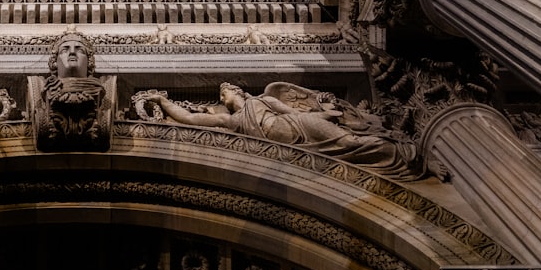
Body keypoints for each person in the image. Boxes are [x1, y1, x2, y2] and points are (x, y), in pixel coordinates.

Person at [140, 82, 420, 179]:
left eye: (224, 93)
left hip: (301, 127)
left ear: (236, 91)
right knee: (348, 145)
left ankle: (401, 153)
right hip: (286, 149)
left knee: (349, 141)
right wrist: (164, 102)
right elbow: (190, 120)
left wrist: (327, 113)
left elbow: (294, 112)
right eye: (222, 95)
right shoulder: (233, 123)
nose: (222, 98)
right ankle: (396, 154)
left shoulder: (264, 99)